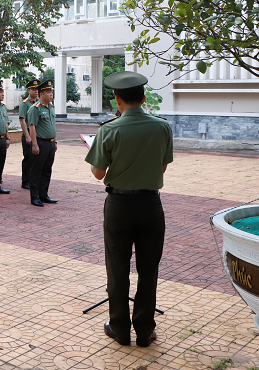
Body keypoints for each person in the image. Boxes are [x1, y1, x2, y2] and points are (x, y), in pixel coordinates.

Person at [85, 72, 172, 348]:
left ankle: (120, 329)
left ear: (117, 100)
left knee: (117, 268)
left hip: (119, 206)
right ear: (144, 99)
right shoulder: (162, 127)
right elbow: (162, 167)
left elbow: (98, 174)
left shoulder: (109, 130)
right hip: (150, 205)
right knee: (149, 270)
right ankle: (145, 331)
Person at [26, 80, 58, 206]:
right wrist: (34, 144)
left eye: (51, 92)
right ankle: (35, 197)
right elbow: (32, 127)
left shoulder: (51, 107)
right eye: (48, 92)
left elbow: (53, 125)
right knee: (36, 170)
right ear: (41, 94)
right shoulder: (35, 108)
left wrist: (55, 141)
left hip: (50, 143)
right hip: (40, 143)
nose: (51, 95)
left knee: (47, 170)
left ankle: (44, 195)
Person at [19, 79, 40, 190]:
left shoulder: (40, 102)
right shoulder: (25, 103)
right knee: (28, 159)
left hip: (37, 135)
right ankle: (25, 181)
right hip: (28, 133)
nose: (36, 91)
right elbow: (22, 120)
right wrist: (27, 136)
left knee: (36, 160)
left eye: (37, 89)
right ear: (29, 90)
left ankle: (34, 180)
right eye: (33, 89)